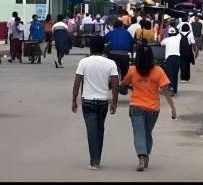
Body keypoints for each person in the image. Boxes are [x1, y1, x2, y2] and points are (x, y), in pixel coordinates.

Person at [122, 44, 177, 171]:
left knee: (139, 133)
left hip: (136, 106)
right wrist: (173, 107)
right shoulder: (158, 71)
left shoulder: (132, 70)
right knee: (147, 132)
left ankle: (142, 156)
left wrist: (131, 86)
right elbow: (166, 90)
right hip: (152, 108)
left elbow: (124, 84)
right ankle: (145, 154)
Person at [72, 37, 119, 170]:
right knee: (100, 129)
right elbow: (115, 84)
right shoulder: (110, 63)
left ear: (91, 48)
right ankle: (97, 158)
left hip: (87, 101)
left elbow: (77, 82)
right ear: (103, 48)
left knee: (91, 131)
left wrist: (74, 100)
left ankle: (94, 161)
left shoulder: (83, 62)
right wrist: (114, 102)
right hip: (103, 101)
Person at [105, 20, 135, 89]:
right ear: (122, 26)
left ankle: (111, 82)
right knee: (125, 72)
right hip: (124, 56)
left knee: (112, 71)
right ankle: (124, 85)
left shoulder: (111, 32)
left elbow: (104, 39)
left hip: (112, 55)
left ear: (114, 26)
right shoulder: (127, 33)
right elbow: (132, 43)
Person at [160, 27, 185, 95]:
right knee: (175, 74)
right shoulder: (178, 38)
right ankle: (175, 90)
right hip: (177, 58)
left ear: (168, 33)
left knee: (170, 74)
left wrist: (161, 35)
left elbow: (161, 43)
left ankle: (171, 89)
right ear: (175, 33)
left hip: (169, 58)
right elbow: (180, 34)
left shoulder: (166, 40)